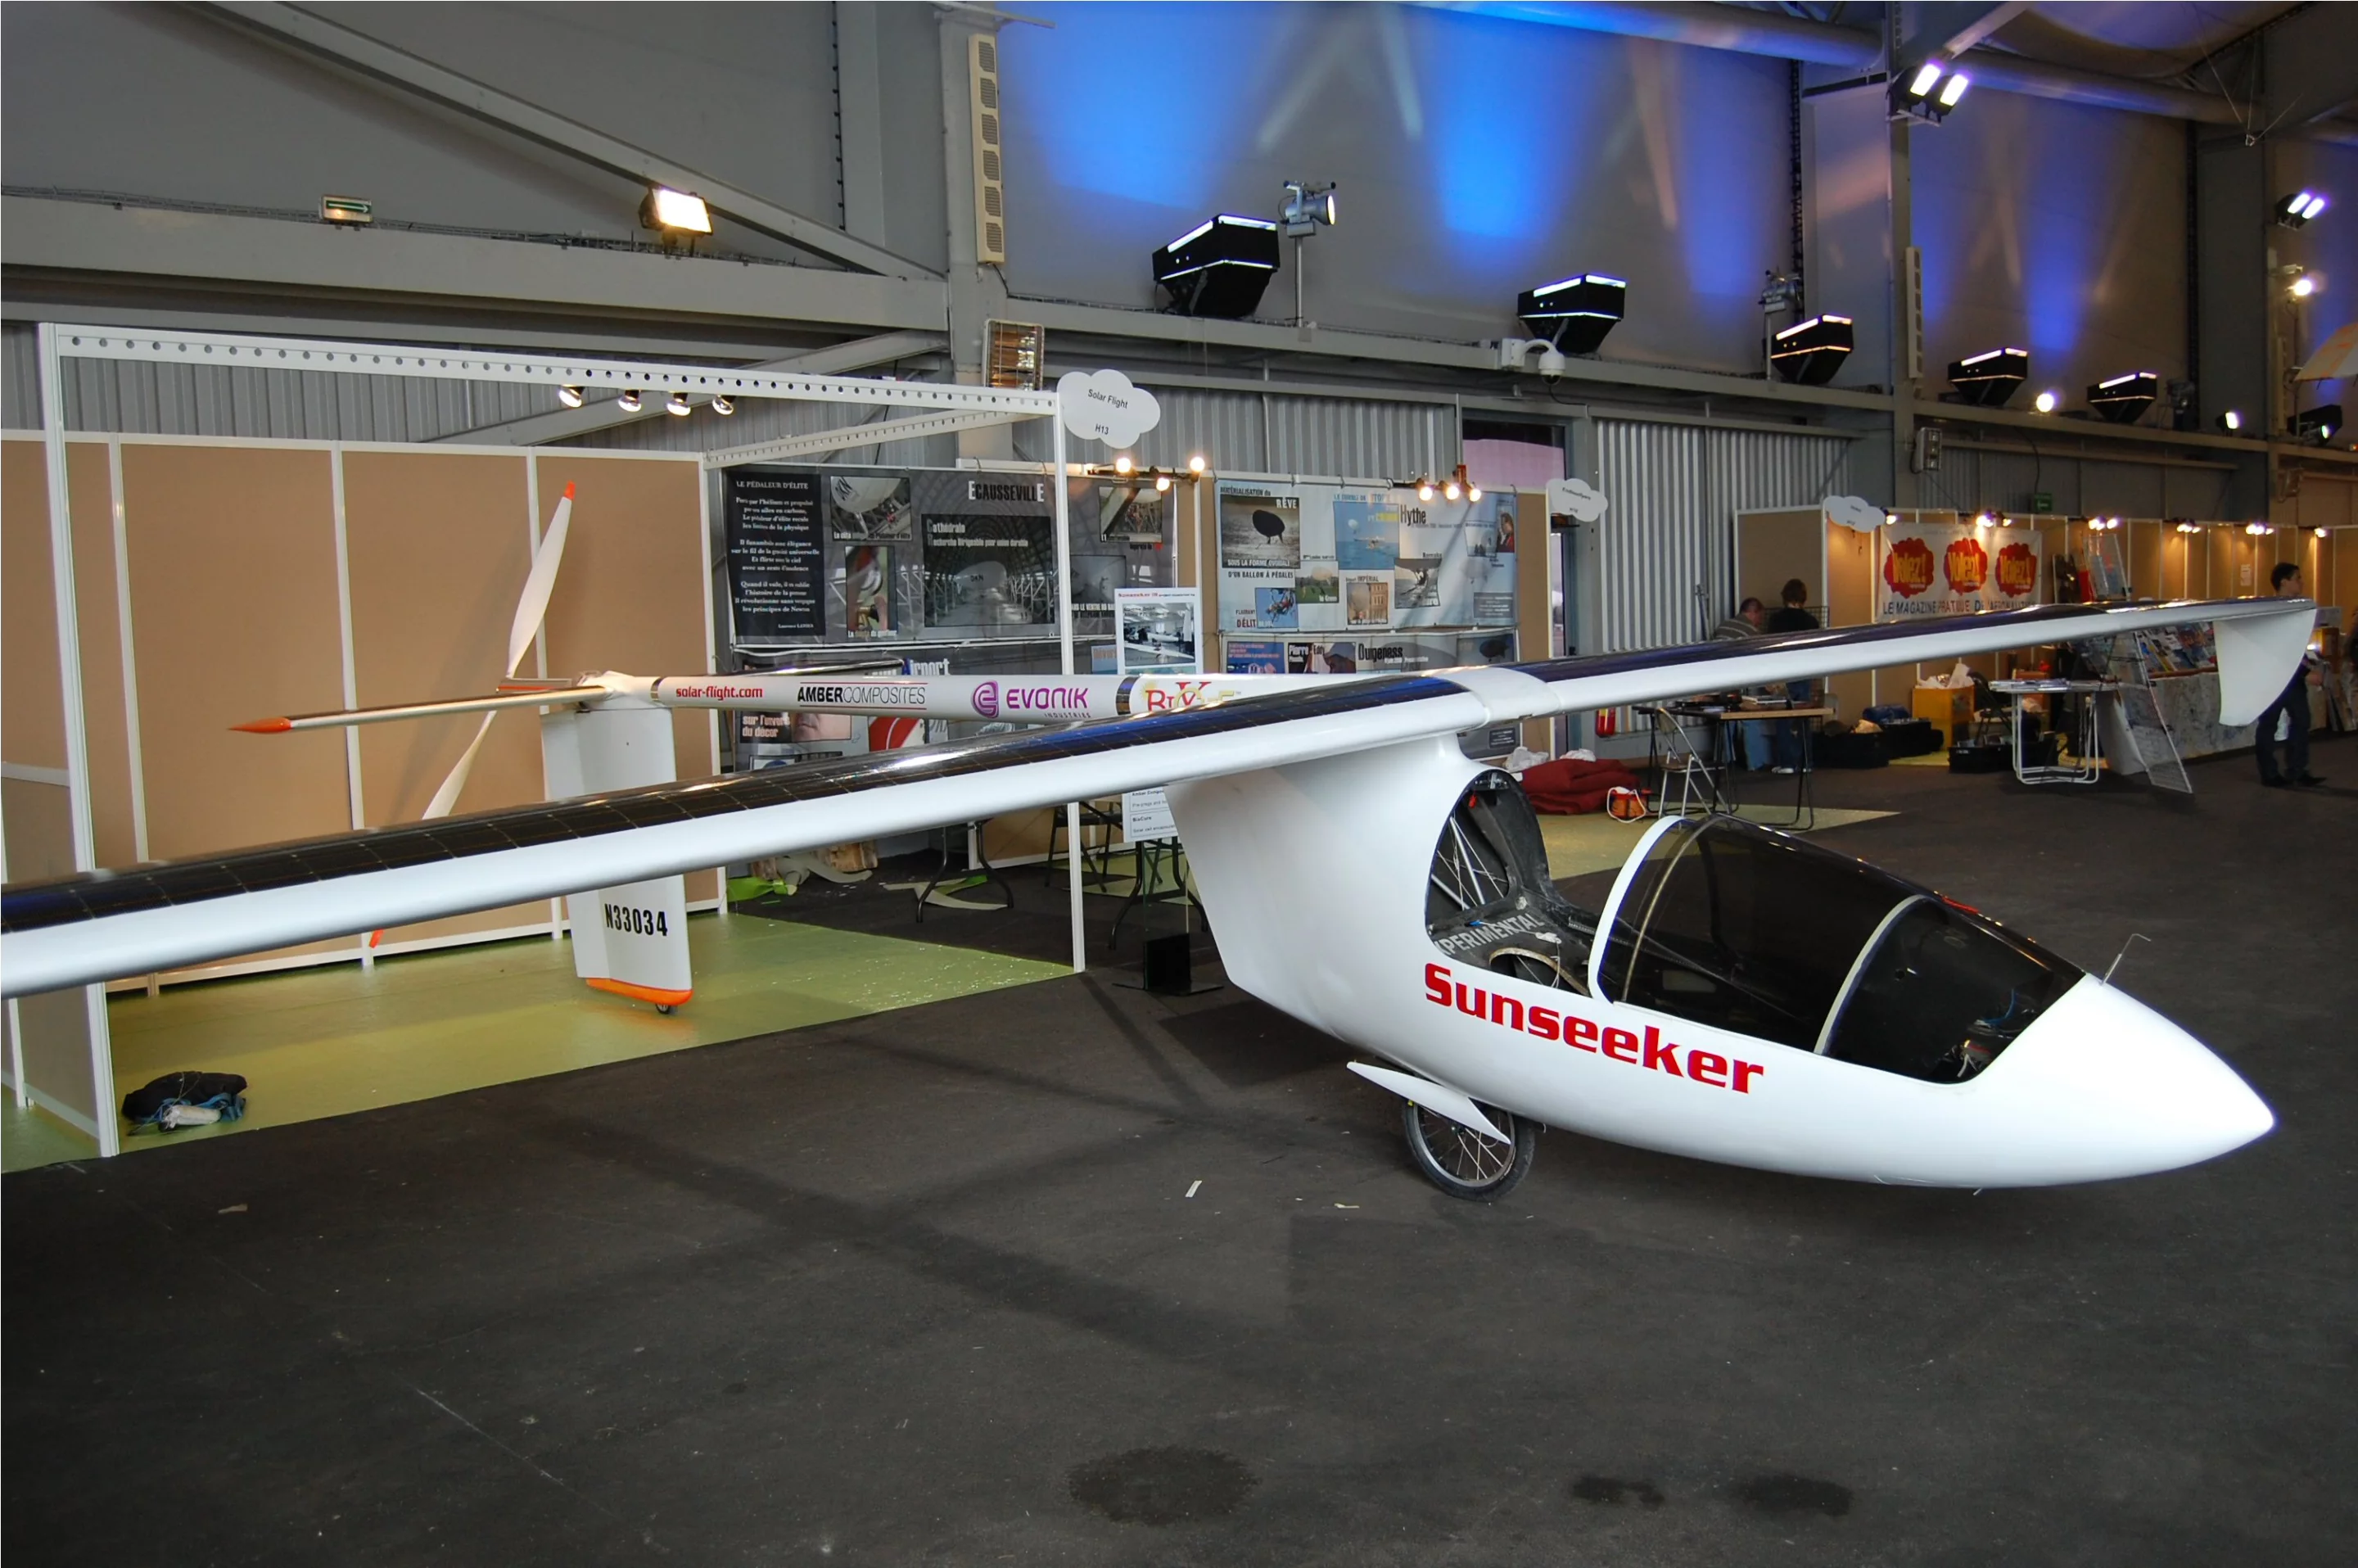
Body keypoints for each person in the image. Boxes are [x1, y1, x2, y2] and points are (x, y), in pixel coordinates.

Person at [2255, 562, 2324, 789]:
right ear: (2284, 582)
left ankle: (2297, 769)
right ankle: (2270, 773)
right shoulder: (2273, 610)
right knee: (2269, 725)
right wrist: (2305, 671)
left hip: (2292, 678)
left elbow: (2294, 646)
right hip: (2274, 677)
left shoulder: (2295, 609)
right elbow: (2280, 647)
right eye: (2297, 578)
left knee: (2302, 720)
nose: (2301, 582)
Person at [1765, 579, 1819, 774]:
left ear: (1785, 596)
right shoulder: (1811, 621)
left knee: (1783, 717)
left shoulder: (1776, 620)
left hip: (1783, 672)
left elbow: (1769, 648)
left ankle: (1787, 763)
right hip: (1805, 672)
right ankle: (1806, 762)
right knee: (1803, 717)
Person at [1712, 598, 1772, 770]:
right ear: (1753, 613)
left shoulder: (1722, 627)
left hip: (1719, 679)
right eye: (1760, 616)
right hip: (1740, 680)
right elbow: (1759, 662)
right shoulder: (1751, 632)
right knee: (1750, 719)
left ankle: (1724, 760)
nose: (1760, 621)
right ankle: (1755, 763)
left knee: (1725, 718)